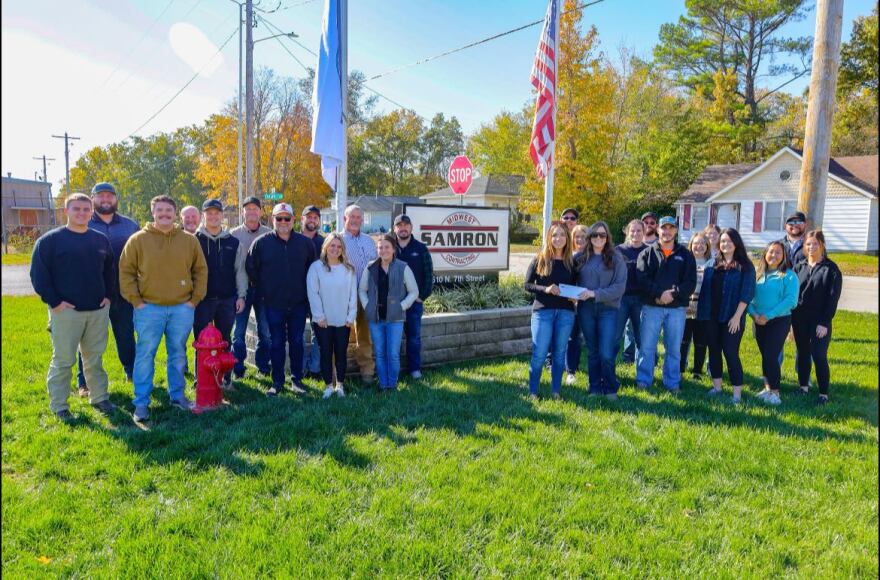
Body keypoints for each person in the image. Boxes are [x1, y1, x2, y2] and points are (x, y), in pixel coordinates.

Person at [119, 195, 208, 422]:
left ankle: (177, 396)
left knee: (178, 354)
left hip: (182, 308)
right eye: (160, 210)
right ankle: (141, 404)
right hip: (148, 309)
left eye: (168, 210)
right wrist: (136, 301)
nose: (164, 214)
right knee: (145, 355)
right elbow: (126, 272)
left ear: (175, 213)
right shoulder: (138, 240)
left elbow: (200, 270)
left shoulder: (188, 240)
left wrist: (194, 300)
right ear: (153, 212)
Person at [30, 193, 116, 421]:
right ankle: (59, 406)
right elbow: (39, 276)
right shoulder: (50, 241)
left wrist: (108, 296)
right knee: (64, 360)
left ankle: (99, 397)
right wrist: (55, 302)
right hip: (65, 312)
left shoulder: (100, 240)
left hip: (97, 310)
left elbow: (109, 271)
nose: (81, 213)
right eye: (76, 209)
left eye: (86, 209)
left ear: (91, 212)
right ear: (65, 211)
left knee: (94, 358)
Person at [74, 182, 139, 397]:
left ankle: (132, 372)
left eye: (109, 196)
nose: (105, 199)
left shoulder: (130, 226)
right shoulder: (82, 223)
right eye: (100, 196)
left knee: (126, 335)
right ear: (93, 199)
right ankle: (84, 382)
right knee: (89, 340)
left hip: (123, 292)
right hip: (92, 293)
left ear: (116, 199)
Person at [247, 203, 317, 397]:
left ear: (294, 220)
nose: (283, 222)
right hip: (273, 304)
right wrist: (263, 291)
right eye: (279, 218)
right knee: (276, 342)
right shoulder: (261, 243)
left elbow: (313, 271)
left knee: (297, 341)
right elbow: (251, 268)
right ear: (272, 220)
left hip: (298, 304)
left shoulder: (305, 244)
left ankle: (297, 380)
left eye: (287, 218)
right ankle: (277, 382)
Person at [635, 216, 697, 394]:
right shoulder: (646, 253)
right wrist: (658, 294)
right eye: (664, 228)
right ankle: (644, 380)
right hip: (651, 307)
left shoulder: (685, 255)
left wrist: (673, 294)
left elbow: (690, 282)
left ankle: (672, 382)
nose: (667, 232)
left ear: (676, 231)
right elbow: (642, 278)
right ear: (658, 230)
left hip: (676, 309)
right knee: (647, 347)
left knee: (673, 348)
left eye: (671, 228)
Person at [696, 228, 756, 404]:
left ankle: (737, 394)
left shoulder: (745, 266)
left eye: (729, 241)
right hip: (711, 316)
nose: (725, 244)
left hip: (732, 317)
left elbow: (747, 293)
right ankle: (717, 387)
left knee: (730, 352)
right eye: (722, 241)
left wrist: (737, 316)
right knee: (714, 350)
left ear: (736, 243)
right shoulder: (713, 264)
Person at [193, 199, 247, 389]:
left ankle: (225, 378)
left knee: (225, 339)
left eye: (217, 213)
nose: (213, 216)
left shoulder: (233, 242)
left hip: (227, 299)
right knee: (200, 340)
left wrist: (241, 296)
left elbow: (240, 271)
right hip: (202, 300)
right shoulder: (194, 240)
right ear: (203, 215)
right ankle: (200, 378)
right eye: (209, 213)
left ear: (222, 216)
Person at [358, 234, 419, 391]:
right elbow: (362, 290)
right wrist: (367, 306)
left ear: (393, 249)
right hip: (376, 318)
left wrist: (402, 306)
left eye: (386, 247)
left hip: (395, 318)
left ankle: (392, 384)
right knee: (379, 353)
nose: (383, 250)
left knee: (392, 354)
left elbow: (414, 292)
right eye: (380, 247)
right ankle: (383, 384)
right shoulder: (370, 267)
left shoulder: (403, 267)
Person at [524, 222, 578, 400]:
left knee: (559, 353)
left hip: (565, 313)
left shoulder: (572, 262)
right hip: (543, 312)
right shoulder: (540, 259)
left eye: (562, 235)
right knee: (539, 353)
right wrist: (545, 289)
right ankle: (533, 391)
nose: (558, 239)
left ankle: (556, 391)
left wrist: (575, 296)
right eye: (554, 235)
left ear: (567, 238)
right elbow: (527, 285)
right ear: (549, 237)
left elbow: (576, 286)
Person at [576, 221, 627, 399]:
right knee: (593, 351)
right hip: (586, 310)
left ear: (607, 238)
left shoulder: (616, 258)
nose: (599, 238)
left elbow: (619, 288)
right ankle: (595, 387)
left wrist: (594, 293)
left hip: (608, 310)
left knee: (606, 352)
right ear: (589, 237)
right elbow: (570, 281)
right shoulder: (580, 258)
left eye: (602, 235)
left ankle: (611, 386)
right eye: (595, 235)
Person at [792, 231, 842, 405]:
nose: (811, 247)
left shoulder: (832, 269)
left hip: (820, 320)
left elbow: (832, 298)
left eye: (815, 244)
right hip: (799, 319)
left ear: (822, 245)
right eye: (808, 244)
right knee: (803, 353)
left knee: (819, 354)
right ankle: (803, 387)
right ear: (804, 247)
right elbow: (793, 294)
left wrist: (824, 322)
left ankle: (823, 393)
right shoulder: (799, 267)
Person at [307, 233, 358, 398]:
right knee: (326, 352)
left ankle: (340, 386)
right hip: (323, 321)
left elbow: (353, 294)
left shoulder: (349, 269)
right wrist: (319, 316)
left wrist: (351, 316)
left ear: (342, 249)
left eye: (338, 246)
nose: (335, 249)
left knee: (341, 352)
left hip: (343, 320)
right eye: (332, 245)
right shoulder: (316, 268)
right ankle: (328, 385)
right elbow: (313, 293)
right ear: (325, 247)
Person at [749, 241, 799, 406]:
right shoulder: (758, 274)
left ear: (784, 256)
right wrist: (754, 315)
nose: (774, 255)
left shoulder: (789, 275)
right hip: (758, 320)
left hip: (778, 321)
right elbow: (747, 296)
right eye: (771, 252)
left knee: (771, 355)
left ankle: (775, 393)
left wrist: (768, 316)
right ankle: (767, 388)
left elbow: (790, 301)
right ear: (765, 254)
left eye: (778, 253)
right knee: (765, 356)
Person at [230, 196, 273, 378]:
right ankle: (238, 368)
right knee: (238, 332)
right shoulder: (233, 235)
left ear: (260, 212)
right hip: (242, 290)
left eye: (255, 208)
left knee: (265, 332)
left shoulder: (269, 233)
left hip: (263, 290)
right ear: (243, 212)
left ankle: (263, 367)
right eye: (248, 209)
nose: (252, 212)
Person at [393, 214, 434, 379]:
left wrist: (421, 297)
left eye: (406, 225)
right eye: (399, 225)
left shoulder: (421, 248)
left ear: (411, 227)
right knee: (393, 339)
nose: (403, 228)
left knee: (414, 338)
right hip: (393, 303)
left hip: (414, 304)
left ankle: (414, 369)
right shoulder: (388, 247)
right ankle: (393, 371)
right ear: (395, 228)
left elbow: (429, 276)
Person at [342, 205, 379, 381]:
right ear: (344, 219)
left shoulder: (369, 240)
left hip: (366, 294)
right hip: (344, 295)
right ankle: (337, 374)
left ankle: (367, 372)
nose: (356, 220)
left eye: (359, 217)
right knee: (341, 335)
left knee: (365, 335)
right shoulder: (338, 240)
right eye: (352, 217)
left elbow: (377, 266)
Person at [615, 219, 647, 365]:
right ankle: (609, 371)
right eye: (632, 231)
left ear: (644, 232)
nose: (635, 233)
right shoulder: (618, 251)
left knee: (641, 336)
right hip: (621, 299)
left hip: (641, 299)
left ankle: (644, 373)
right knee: (615, 336)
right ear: (627, 232)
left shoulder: (649, 251)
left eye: (639, 230)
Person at [681, 232, 711, 379]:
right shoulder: (685, 261)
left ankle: (697, 371)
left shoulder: (711, 263)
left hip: (703, 308)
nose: (699, 246)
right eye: (696, 243)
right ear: (691, 245)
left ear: (707, 246)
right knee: (683, 339)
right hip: (685, 306)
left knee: (700, 341)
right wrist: (684, 302)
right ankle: (680, 368)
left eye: (702, 243)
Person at [300, 205, 325, 379]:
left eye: (315, 217)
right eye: (309, 217)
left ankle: (315, 368)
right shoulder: (294, 240)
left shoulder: (325, 242)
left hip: (320, 295)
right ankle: (300, 368)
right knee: (298, 334)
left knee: (319, 333)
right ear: (302, 219)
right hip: (298, 295)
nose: (312, 220)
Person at [564, 224, 589, 384]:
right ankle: (571, 371)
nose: (580, 240)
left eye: (583, 237)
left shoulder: (594, 256)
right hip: (572, 303)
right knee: (573, 337)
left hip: (591, 302)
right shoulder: (569, 257)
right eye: (577, 237)